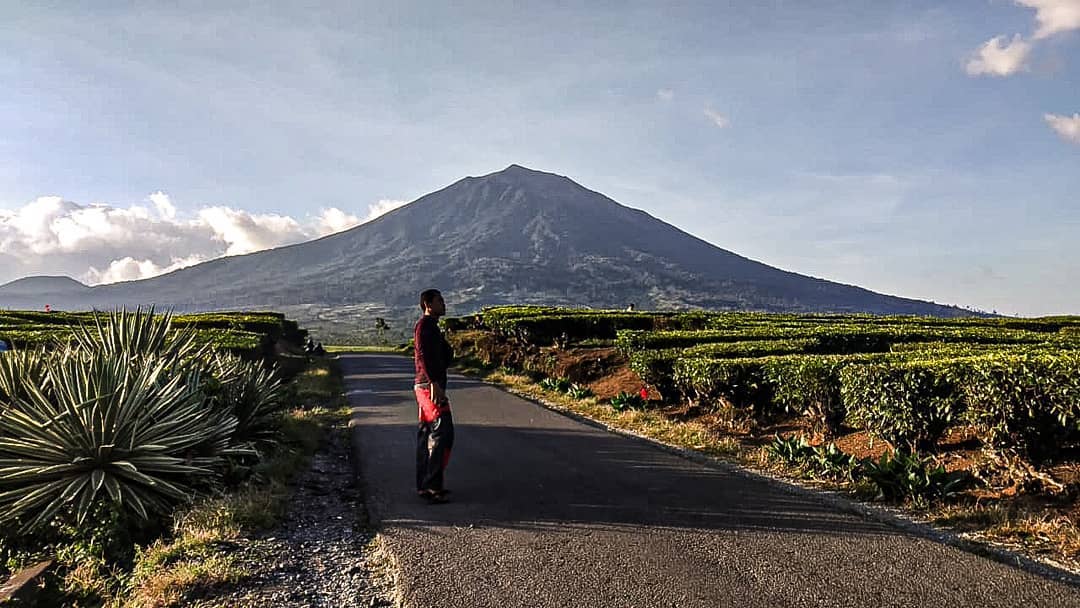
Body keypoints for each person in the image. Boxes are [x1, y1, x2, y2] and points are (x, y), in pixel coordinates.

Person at [413, 288, 455, 503]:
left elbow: (442, 355)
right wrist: (434, 383)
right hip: (428, 387)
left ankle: (425, 485)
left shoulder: (433, 328)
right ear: (428, 305)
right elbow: (422, 355)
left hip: (428, 385)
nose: (444, 304)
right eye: (440, 301)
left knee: (426, 433)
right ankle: (432, 485)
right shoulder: (424, 326)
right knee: (443, 431)